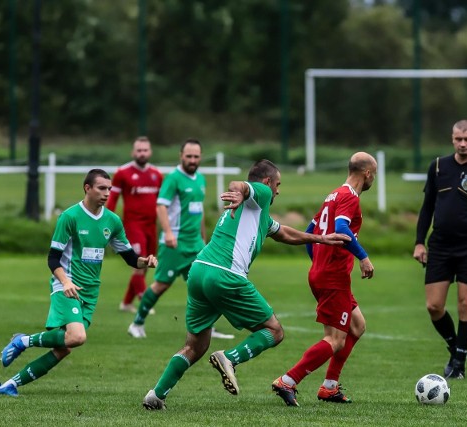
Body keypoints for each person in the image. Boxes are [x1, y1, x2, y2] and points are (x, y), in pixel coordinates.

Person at [141, 159, 352, 410]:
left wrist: (320, 239)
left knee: (195, 345)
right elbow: (240, 184)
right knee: (274, 331)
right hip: (225, 275)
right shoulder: (259, 194)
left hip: (199, 271)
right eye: (277, 184)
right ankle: (229, 358)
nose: (278, 191)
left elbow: (283, 232)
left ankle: (156, 395)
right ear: (266, 182)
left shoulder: (258, 213)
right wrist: (239, 191)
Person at [0, 169, 158, 397]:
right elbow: (53, 258)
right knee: (77, 337)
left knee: (64, 348)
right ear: (87, 188)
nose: (107, 193)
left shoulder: (112, 221)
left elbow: (130, 258)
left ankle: (10, 385)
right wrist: (65, 282)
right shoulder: (70, 217)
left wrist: (145, 262)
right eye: (101, 188)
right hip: (66, 287)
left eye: (109, 189)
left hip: (90, 292)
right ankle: (23, 340)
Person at [272, 152, 377, 407]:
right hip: (333, 277)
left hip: (325, 273)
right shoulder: (350, 197)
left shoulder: (332, 195)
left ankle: (329, 387)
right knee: (335, 339)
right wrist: (363, 257)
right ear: (368, 174)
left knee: (357, 326)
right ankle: (288, 380)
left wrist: (318, 260)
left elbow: (310, 232)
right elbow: (341, 229)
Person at [412, 119, 467, 380]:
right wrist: (419, 241)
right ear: (452, 139)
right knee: (434, 306)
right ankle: (456, 346)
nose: (463, 143)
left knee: (465, 304)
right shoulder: (438, 166)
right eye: (458, 139)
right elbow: (427, 207)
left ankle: (458, 363)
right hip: (440, 244)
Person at [128, 139, 234, 340]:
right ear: (181, 156)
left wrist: (204, 239)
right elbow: (161, 206)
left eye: (196, 156)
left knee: (204, 285)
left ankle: (207, 327)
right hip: (174, 243)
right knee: (161, 285)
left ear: (200, 157)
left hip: (195, 244)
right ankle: (137, 323)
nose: (192, 160)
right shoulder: (173, 178)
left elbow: (199, 210)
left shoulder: (200, 179)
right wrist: (167, 233)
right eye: (189, 156)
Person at [105, 136, 163, 313]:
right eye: (139, 150)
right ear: (133, 152)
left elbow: (162, 203)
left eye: (145, 150)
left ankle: (126, 303)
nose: (142, 153)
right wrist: (108, 223)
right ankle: (144, 301)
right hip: (132, 225)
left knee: (147, 265)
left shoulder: (157, 174)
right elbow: (113, 198)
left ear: (150, 152)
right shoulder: (123, 173)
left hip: (151, 226)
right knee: (139, 262)